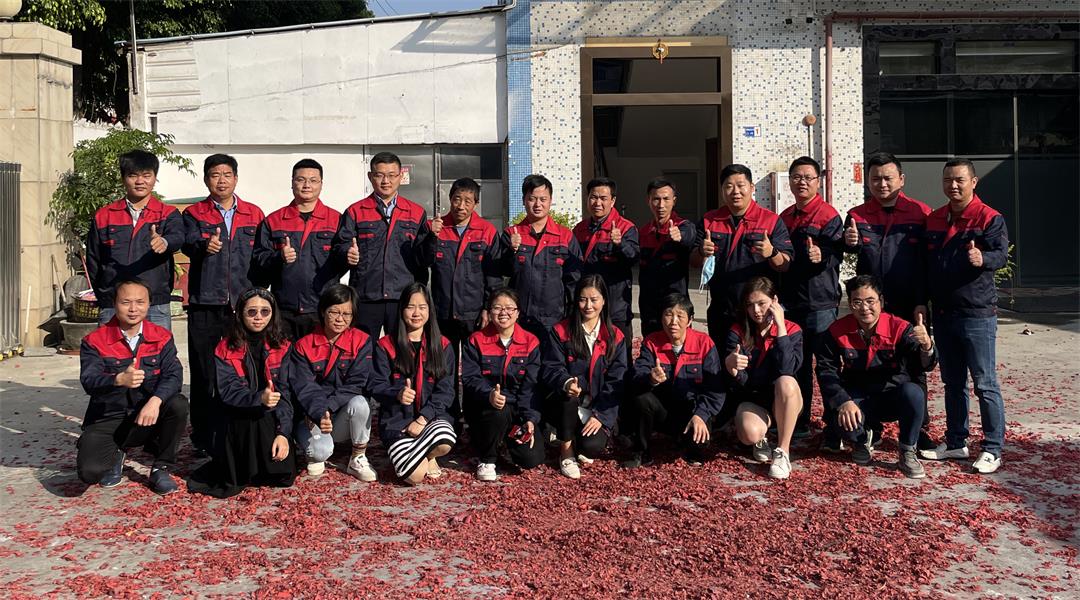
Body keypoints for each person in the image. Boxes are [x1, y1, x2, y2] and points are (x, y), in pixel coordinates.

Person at [919, 159, 1010, 474]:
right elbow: (926, 263)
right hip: (944, 313)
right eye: (948, 180)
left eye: (959, 179)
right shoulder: (934, 218)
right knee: (952, 382)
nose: (953, 185)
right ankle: (957, 441)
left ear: (974, 181)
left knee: (985, 383)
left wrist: (983, 257)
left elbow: (1001, 255)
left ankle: (992, 448)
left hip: (976, 313)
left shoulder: (989, 218)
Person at [844, 152, 936, 451]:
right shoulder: (857, 215)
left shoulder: (921, 213)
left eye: (888, 178)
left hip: (909, 303)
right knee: (870, 361)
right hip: (870, 308)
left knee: (914, 365)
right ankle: (872, 422)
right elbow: (850, 256)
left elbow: (926, 262)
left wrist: (922, 301)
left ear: (901, 179)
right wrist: (849, 244)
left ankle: (918, 428)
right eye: (875, 179)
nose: (881, 184)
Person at [181, 154, 266, 456]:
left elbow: (262, 257)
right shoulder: (194, 213)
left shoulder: (254, 214)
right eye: (215, 175)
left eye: (227, 174)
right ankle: (204, 436)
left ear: (236, 178)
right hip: (206, 303)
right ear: (207, 179)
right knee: (205, 373)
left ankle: (240, 429)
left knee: (244, 369)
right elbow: (186, 243)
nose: (221, 180)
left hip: (243, 306)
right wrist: (204, 246)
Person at [816, 275, 936, 479]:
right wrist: (843, 401)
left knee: (914, 392)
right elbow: (826, 370)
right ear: (850, 304)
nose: (865, 308)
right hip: (857, 399)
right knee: (841, 419)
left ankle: (907, 449)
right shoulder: (837, 330)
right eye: (857, 302)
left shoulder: (899, 328)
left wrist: (927, 345)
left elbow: (923, 365)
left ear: (881, 301)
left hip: (892, 396)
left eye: (870, 301)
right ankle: (862, 439)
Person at [76, 279, 187, 495]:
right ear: (114, 304)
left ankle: (162, 467)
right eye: (126, 302)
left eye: (140, 302)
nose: (133, 309)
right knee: (90, 473)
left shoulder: (161, 337)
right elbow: (89, 381)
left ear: (149, 304)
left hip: (146, 413)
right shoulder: (94, 341)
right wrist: (117, 380)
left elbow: (174, 375)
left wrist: (155, 401)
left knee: (178, 404)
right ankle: (116, 451)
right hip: (109, 416)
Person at [188, 288, 297, 498]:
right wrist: (258, 398)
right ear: (240, 314)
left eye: (265, 312)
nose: (258, 317)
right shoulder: (224, 347)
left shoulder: (282, 346)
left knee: (283, 474)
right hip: (235, 413)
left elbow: (285, 394)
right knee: (253, 418)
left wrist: (283, 433)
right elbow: (228, 391)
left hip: (269, 411)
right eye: (252, 311)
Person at [417, 177, 502, 421]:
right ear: (449, 199)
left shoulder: (486, 231)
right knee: (445, 368)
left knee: (476, 367)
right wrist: (431, 237)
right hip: (442, 312)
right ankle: (449, 417)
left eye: (467, 201)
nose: (461, 206)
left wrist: (488, 308)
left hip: (474, 314)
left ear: (476, 203)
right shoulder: (437, 227)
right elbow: (422, 262)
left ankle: (475, 418)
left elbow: (493, 275)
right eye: (456, 199)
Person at [778, 156, 844, 440]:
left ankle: (833, 425)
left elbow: (838, 251)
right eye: (796, 177)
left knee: (826, 365)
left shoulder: (828, 215)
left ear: (818, 181)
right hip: (790, 303)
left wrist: (822, 255)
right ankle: (799, 421)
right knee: (797, 365)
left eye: (808, 177)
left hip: (820, 303)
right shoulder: (785, 217)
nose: (802, 182)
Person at [622, 293, 724, 468]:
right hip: (663, 411)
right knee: (642, 398)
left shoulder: (704, 343)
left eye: (680, 316)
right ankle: (641, 451)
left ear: (690, 320)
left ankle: (689, 447)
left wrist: (701, 414)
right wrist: (650, 378)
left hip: (692, 411)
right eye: (668, 315)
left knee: (699, 442)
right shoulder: (652, 342)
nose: (673, 322)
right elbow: (637, 375)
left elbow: (715, 389)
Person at [540, 275, 627, 479]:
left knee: (592, 447)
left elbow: (617, 381)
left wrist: (601, 416)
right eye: (582, 299)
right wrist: (566, 382)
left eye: (594, 299)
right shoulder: (561, 331)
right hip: (565, 403)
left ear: (604, 301)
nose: (588, 306)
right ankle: (566, 451)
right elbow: (551, 367)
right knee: (568, 398)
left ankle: (572, 437)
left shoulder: (615, 336)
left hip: (596, 406)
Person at [335, 152, 431, 338]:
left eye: (391, 175)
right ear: (370, 176)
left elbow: (423, 257)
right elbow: (341, 244)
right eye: (379, 175)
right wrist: (347, 253)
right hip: (366, 295)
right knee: (363, 348)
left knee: (400, 348)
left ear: (400, 176)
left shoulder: (416, 212)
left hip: (402, 297)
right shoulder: (355, 211)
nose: (386, 181)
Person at [370, 283, 457, 485]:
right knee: (414, 477)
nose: (416, 313)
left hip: (430, 420)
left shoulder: (442, 345)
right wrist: (396, 394)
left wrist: (423, 419)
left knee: (445, 439)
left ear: (430, 310)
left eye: (422, 307)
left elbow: (446, 391)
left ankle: (426, 454)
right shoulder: (386, 345)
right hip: (397, 423)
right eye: (410, 307)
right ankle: (423, 454)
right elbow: (375, 385)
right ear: (401, 310)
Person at [86, 150, 184, 330]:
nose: (140, 181)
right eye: (133, 175)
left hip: (155, 303)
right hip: (113, 303)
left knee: (157, 347)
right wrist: (105, 295)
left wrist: (164, 242)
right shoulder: (104, 215)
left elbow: (178, 237)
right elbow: (93, 259)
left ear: (154, 178)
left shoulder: (167, 213)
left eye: (146, 175)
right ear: (123, 178)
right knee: (110, 348)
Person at [698, 164, 793, 348]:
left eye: (741, 185)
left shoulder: (771, 220)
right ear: (722, 190)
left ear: (752, 187)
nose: (736, 191)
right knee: (723, 359)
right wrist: (702, 251)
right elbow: (693, 260)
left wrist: (772, 253)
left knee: (759, 360)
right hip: (722, 309)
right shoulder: (709, 220)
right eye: (729, 186)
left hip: (758, 312)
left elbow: (785, 264)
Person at [290, 284, 376, 481]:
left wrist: (329, 407)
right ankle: (317, 447)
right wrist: (319, 411)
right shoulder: (304, 345)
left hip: (339, 413)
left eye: (346, 314)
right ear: (323, 311)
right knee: (319, 453)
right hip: (313, 414)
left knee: (361, 403)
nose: (340, 319)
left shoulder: (361, 341)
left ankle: (358, 456)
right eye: (334, 312)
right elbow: (304, 386)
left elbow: (357, 383)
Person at [460, 288, 545, 481]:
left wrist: (530, 419)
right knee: (498, 412)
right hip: (486, 408)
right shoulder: (476, 340)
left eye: (509, 308)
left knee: (531, 458)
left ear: (518, 312)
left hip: (517, 409)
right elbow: (470, 378)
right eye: (497, 308)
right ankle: (487, 458)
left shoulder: (530, 342)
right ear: (489, 312)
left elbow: (531, 386)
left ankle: (505, 443)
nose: (503, 312)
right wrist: (488, 394)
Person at [253, 158, 343, 340]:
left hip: (323, 308)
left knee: (320, 356)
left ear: (321, 184)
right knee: (283, 356)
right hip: (284, 309)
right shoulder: (273, 220)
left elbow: (342, 260)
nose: (307, 185)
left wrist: (351, 256)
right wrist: (279, 257)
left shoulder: (337, 220)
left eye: (313, 180)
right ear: (292, 183)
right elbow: (259, 258)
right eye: (301, 180)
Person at [722, 276, 803, 480]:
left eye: (762, 303)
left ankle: (783, 451)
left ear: (774, 301)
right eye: (750, 305)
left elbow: (788, 368)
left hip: (785, 397)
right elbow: (742, 383)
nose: (756, 311)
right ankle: (761, 438)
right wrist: (732, 369)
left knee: (786, 381)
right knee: (749, 433)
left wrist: (781, 327)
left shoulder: (792, 329)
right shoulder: (738, 331)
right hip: (755, 399)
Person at [495, 174, 582, 338]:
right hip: (518, 319)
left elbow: (574, 280)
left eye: (543, 199)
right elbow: (502, 272)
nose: (538, 204)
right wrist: (511, 250)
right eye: (532, 199)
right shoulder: (511, 234)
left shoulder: (565, 236)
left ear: (550, 201)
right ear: (524, 200)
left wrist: (572, 314)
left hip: (555, 319)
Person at [572, 177, 639, 350]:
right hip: (587, 308)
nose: (598, 203)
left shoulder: (626, 228)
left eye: (603, 198)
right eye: (593, 197)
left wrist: (620, 244)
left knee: (619, 355)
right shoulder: (579, 229)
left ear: (613, 201)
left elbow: (633, 258)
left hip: (616, 308)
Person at [638, 179, 698, 337]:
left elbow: (690, 237)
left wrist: (680, 236)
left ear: (674, 201)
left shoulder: (684, 226)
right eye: (656, 199)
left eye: (666, 199)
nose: (661, 205)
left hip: (676, 308)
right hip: (649, 308)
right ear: (648, 201)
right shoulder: (643, 232)